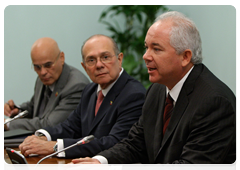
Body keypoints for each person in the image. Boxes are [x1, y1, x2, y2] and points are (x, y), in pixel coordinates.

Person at [63, 11, 238, 170]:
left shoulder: (214, 101)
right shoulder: (157, 89)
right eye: (146, 47)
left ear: (185, 57)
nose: (146, 56)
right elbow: (135, 144)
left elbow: (189, 168)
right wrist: (100, 161)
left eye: (156, 49)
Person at [19, 34, 146, 159]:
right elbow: (70, 126)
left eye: (105, 57)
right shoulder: (90, 90)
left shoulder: (133, 94)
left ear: (119, 59)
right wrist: (42, 137)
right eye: (91, 60)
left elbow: (114, 143)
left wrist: (56, 147)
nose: (99, 65)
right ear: (84, 67)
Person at [4, 37, 90, 131]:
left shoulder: (76, 86)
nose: (42, 72)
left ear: (61, 58)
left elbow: (49, 124)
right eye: (37, 67)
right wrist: (17, 111)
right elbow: (34, 106)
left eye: (48, 65)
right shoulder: (44, 78)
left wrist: (8, 124)